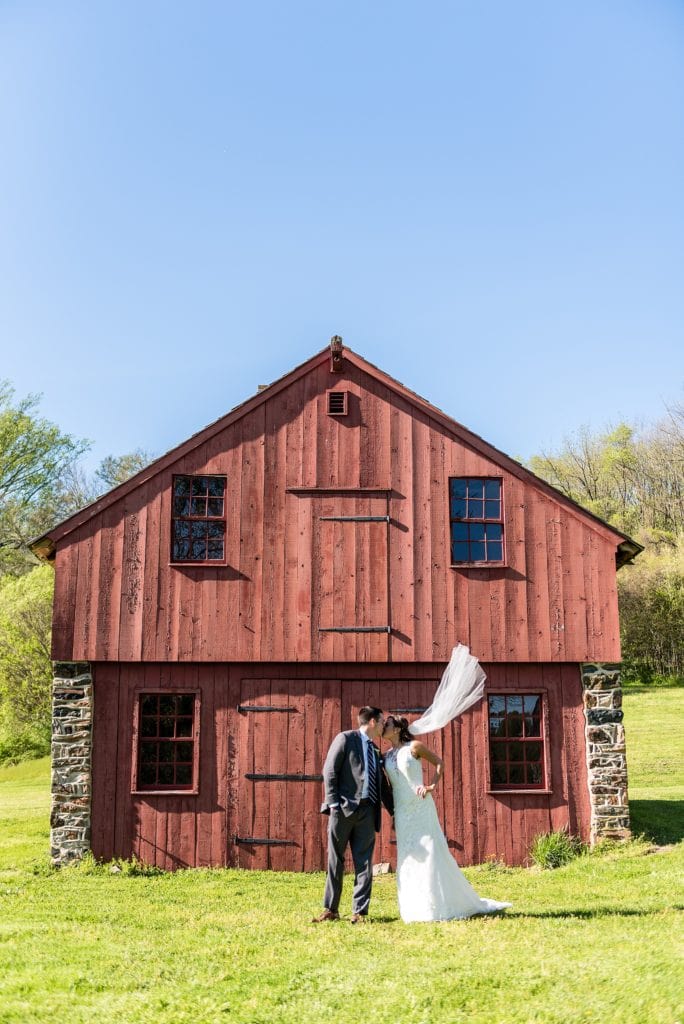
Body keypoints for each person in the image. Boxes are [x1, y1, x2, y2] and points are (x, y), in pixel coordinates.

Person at [382, 714, 511, 923]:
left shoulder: (414, 747)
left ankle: (439, 905)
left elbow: (439, 763)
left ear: (396, 729)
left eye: (386, 725)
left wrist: (431, 785)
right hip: (403, 810)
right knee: (409, 854)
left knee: (432, 851)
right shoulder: (386, 756)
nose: (383, 728)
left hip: (420, 807)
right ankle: (415, 905)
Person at [313, 706, 394, 924]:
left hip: (368, 812)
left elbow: (383, 786)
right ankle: (331, 909)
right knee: (335, 860)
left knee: (364, 862)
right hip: (342, 809)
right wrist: (333, 804)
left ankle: (359, 912)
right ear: (372, 722)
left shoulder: (376, 751)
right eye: (382, 721)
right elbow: (329, 770)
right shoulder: (345, 739)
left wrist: (395, 810)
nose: (384, 725)